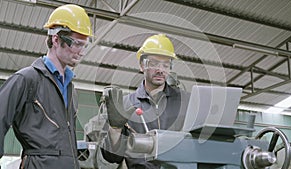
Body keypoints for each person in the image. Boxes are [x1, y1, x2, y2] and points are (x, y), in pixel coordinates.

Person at [0, 4, 92, 169]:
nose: (81, 52)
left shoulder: (71, 89)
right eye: (77, 44)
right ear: (56, 39)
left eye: (84, 45)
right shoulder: (26, 79)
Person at [101, 34, 190, 168]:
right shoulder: (125, 105)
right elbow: (112, 157)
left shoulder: (187, 102)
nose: (160, 70)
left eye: (166, 65)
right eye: (153, 63)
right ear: (142, 66)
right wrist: (115, 129)